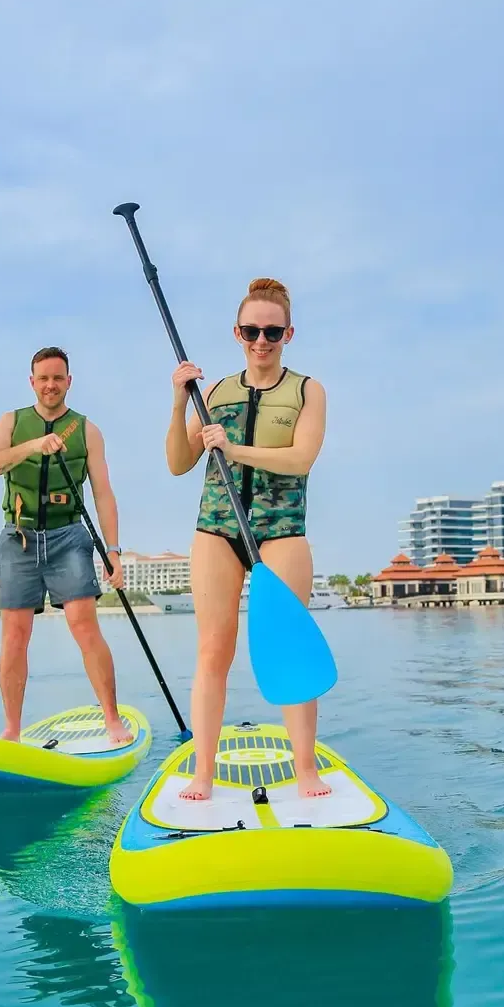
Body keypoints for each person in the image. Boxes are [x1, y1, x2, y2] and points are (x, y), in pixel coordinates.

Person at [165, 277, 330, 801]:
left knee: (287, 642)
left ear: (289, 334)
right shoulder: (213, 393)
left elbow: (301, 458)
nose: (262, 340)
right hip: (217, 528)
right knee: (213, 650)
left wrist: (234, 449)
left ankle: (306, 769)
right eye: (252, 330)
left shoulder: (307, 391)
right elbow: (177, 463)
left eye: (273, 332)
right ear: (237, 332)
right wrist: (178, 404)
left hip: (280, 529)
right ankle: (203, 773)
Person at [0, 346, 132, 746]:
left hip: (68, 537)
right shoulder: (11, 422)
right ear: (32, 382)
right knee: (14, 634)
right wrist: (33, 446)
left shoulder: (87, 430)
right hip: (19, 537)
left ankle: (112, 720)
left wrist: (112, 551)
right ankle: (12, 729)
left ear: (69, 381)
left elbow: (103, 494)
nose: (51, 385)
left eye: (58, 378)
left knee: (84, 625)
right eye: (43, 378)